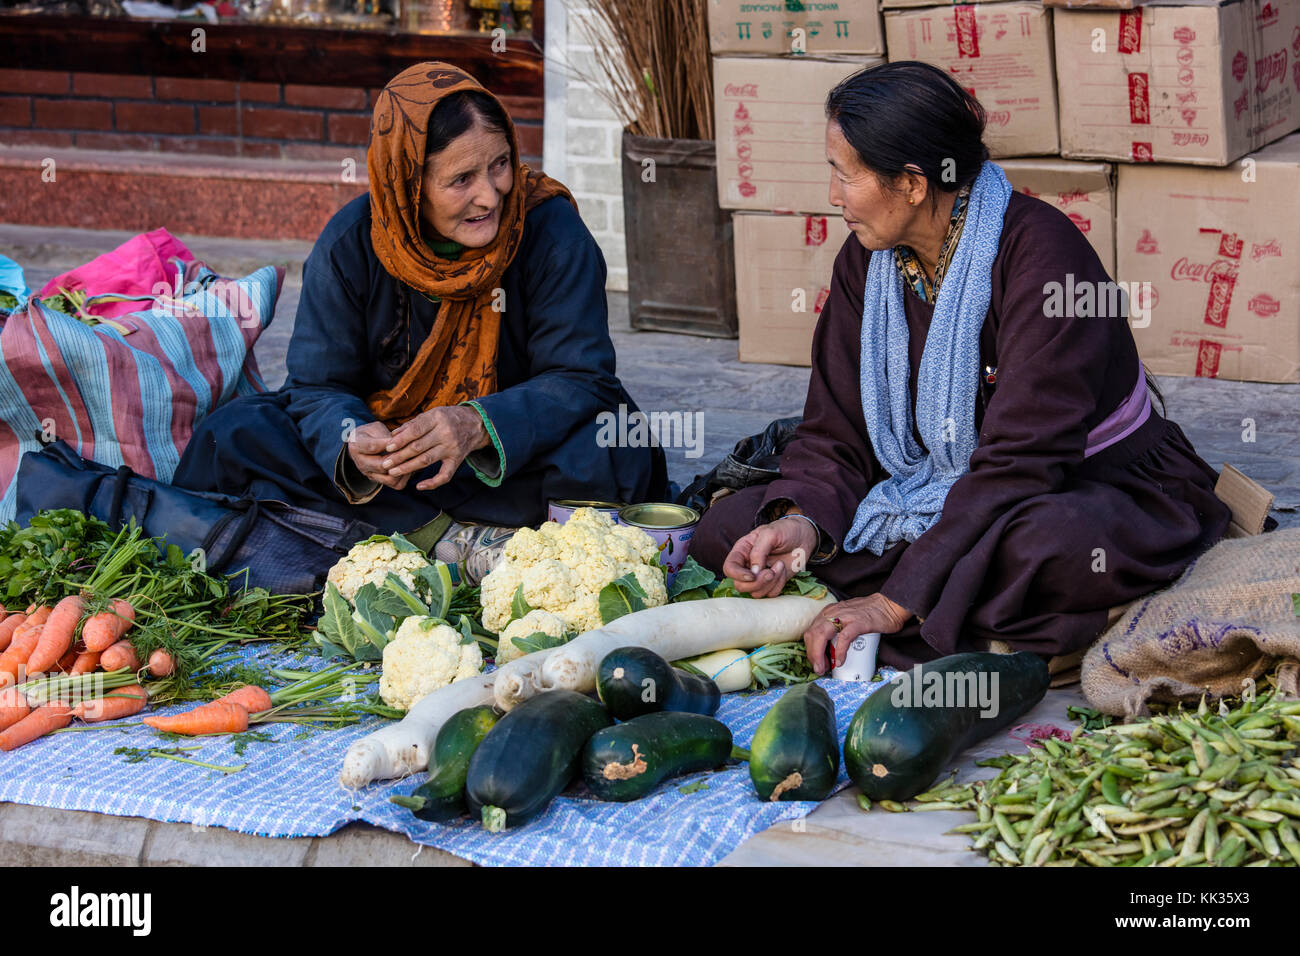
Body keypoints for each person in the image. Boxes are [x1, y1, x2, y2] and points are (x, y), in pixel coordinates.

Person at [690, 62, 1231, 675]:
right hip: (931, 481)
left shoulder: (1043, 257)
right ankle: (938, 603)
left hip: (1076, 481)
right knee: (731, 526)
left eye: (846, 175)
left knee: (1044, 549)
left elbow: (1021, 463)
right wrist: (804, 524)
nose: (833, 196)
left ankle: (908, 602)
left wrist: (892, 602)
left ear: (914, 184)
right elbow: (835, 430)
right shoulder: (866, 260)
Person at [174, 62, 666, 581]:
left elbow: (581, 377)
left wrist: (476, 424)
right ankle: (456, 542)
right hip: (397, 471)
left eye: (500, 165)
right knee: (237, 434)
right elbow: (317, 385)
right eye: (461, 179)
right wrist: (355, 441)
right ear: (408, 183)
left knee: (612, 438)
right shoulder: (352, 244)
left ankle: (421, 536)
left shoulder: (549, 230)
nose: (491, 195)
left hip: (508, 462)